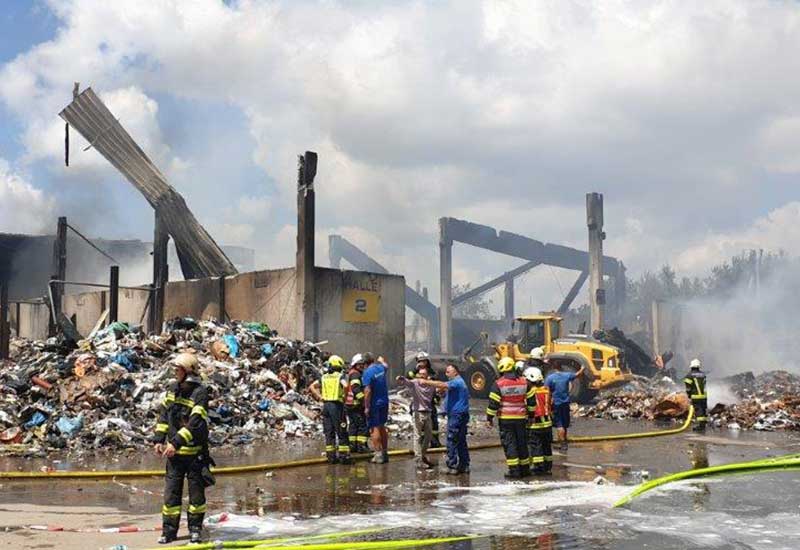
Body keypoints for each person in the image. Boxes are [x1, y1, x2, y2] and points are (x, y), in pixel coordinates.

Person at [152, 353, 212, 544]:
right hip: (174, 456)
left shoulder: (200, 393)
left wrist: (175, 442)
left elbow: (195, 423)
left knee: (196, 497)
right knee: (171, 495)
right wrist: (159, 439)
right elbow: (164, 415)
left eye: (178, 369)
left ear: (187, 371)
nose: (174, 372)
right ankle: (169, 532)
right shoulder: (172, 389)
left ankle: (195, 530)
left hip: (194, 455)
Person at [418, 364, 470, 474]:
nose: (447, 374)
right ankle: (464, 465)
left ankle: (452, 465)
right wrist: (443, 393)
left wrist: (426, 382)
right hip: (460, 414)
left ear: (455, 372)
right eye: (446, 372)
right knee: (461, 440)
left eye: (448, 372)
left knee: (452, 439)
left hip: (456, 415)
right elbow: (449, 392)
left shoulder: (457, 382)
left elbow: (442, 384)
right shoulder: (459, 383)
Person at [486, 357, 533, 479]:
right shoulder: (524, 382)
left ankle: (514, 471)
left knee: (510, 443)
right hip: (521, 418)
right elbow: (532, 402)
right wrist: (531, 416)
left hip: (506, 419)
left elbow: (493, 404)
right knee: (522, 443)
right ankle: (525, 469)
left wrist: (489, 418)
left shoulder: (498, 384)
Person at [309, 355, 352, 464]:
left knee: (329, 432)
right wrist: (345, 397)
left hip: (326, 406)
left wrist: (319, 397)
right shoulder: (340, 377)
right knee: (341, 431)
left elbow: (312, 386)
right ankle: (344, 457)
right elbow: (346, 386)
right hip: (337, 406)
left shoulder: (324, 377)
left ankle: (331, 457)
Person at [396, 365, 436, 470]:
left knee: (429, 436)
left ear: (427, 375)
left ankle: (422, 455)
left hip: (428, 412)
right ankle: (418, 459)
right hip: (418, 412)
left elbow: (440, 388)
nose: (422, 376)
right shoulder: (415, 383)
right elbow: (406, 381)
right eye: (420, 374)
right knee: (417, 436)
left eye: (424, 374)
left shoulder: (431, 384)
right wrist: (400, 378)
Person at [544, 355, 584, 452]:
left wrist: (547, 406)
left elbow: (548, 393)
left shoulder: (550, 378)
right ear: (561, 367)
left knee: (559, 425)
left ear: (553, 367)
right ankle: (563, 442)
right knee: (565, 424)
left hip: (556, 404)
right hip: (565, 403)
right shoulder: (567, 375)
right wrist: (582, 368)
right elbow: (577, 374)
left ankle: (563, 445)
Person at [524, 366, 553, 475]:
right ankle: (548, 466)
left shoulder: (530, 392)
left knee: (536, 445)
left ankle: (538, 467)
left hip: (535, 424)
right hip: (548, 424)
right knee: (547, 446)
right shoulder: (546, 390)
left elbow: (528, 407)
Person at [410, 352, 442, 448]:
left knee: (434, 422)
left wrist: (437, 397)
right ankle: (422, 443)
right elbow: (408, 377)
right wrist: (415, 370)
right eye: (420, 361)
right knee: (421, 425)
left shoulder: (431, 372)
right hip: (419, 401)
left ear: (427, 361)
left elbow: (436, 380)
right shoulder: (415, 371)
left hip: (430, 401)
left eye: (423, 361)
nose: (422, 363)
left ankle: (435, 442)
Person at [362, 353, 390, 464]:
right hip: (384, 401)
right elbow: (386, 366)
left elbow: (367, 390)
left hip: (375, 404)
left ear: (364, 363)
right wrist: (382, 360)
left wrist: (367, 406)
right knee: (382, 426)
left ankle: (378, 454)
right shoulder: (380, 368)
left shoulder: (367, 373)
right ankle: (385, 453)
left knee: (374, 428)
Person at [345, 353, 369, 454]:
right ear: (355, 364)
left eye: (363, 364)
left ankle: (353, 445)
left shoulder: (353, 373)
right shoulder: (356, 374)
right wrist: (363, 400)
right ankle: (361, 446)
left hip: (350, 404)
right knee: (362, 426)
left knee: (353, 425)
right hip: (356, 405)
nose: (362, 366)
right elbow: (355, 388)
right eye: (359, 364)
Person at [683, 358, 707, 432]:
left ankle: (701, 427)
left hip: (696, 396)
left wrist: (689, 395)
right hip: (704, 396)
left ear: (691, 366)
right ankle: (703, 425)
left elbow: (688, 388)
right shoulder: (703, 374)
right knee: (703, 410)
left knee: (698, 410)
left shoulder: (689, 375)